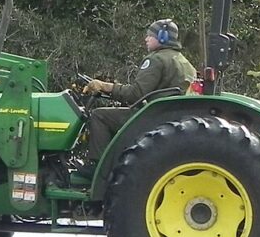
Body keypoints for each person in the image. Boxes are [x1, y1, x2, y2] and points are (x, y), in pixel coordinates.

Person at [79, 19, 197, 175]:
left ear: (162, 37)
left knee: (100, 115)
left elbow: (136, 94)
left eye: (150, 35)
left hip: (153, 118)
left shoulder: (157, 59)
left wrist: (105, 86)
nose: (146, 39)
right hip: (169, 117)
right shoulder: (186, 63)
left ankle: (97, 169)